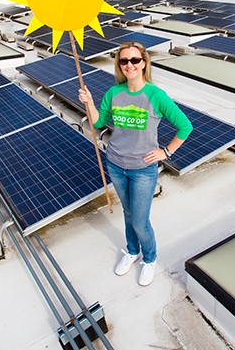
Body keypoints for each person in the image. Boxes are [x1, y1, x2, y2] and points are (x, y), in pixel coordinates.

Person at [79, 41, 192, 286]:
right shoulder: (113, 93)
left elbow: (185, 126)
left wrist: (166, 152)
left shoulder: (156, 95)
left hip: (143, 170)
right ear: (119, 65)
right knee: (128, 213)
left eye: (134, 60)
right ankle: (132, 251)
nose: (129, 65)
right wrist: (89, 103)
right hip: (116, 164)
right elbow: (98, 123)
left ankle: (149, 258)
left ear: (144, 63)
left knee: (140, 221)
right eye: (124, 60)